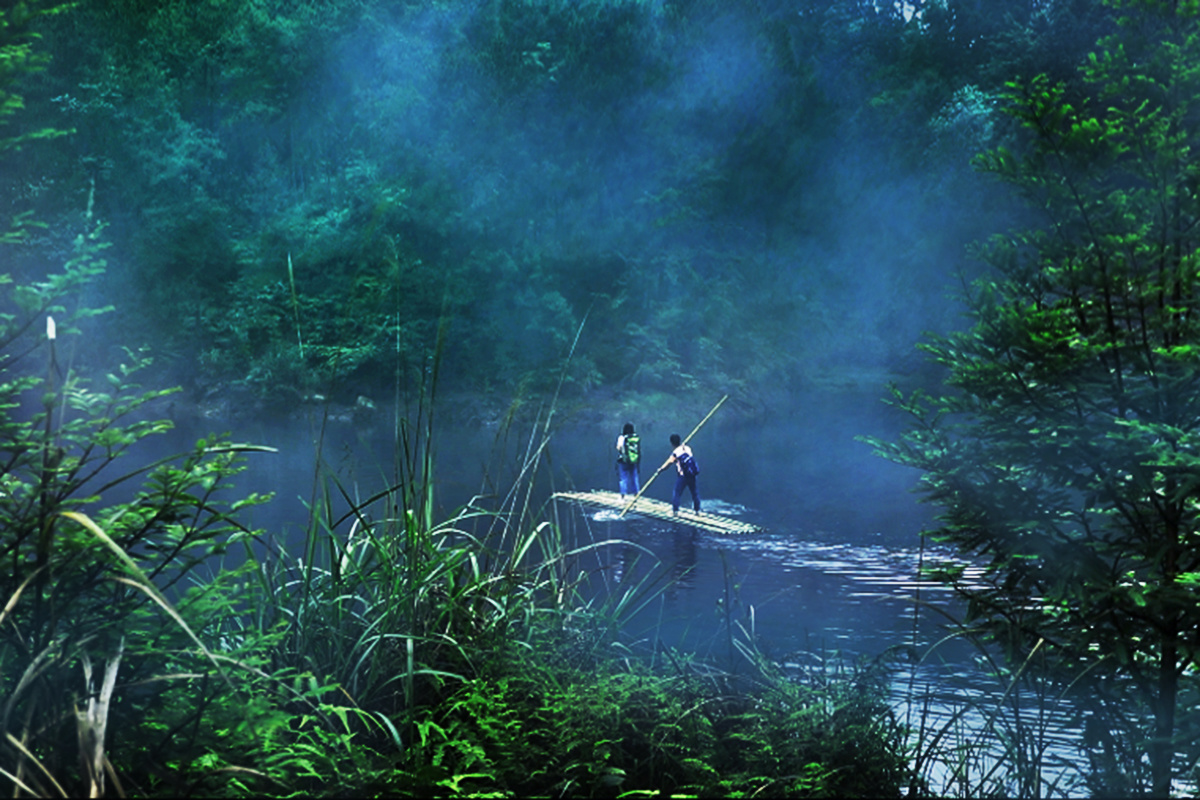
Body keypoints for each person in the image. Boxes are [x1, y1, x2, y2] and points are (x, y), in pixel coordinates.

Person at [663, 433, 700, 515]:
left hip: (683, 476)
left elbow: (669, 462)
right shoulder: (687, 448)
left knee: (677, 493)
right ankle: (697, 510)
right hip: (692, 474)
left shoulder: (675, 452)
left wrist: (661, 469)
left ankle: (675, 511)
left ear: (672, 443)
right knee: (694, 493)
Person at [615, 422, 641, 499]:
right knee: (634, 477)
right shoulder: (635, 437)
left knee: (623, 478)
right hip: (634, 460)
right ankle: (636, 495)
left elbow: (618, 447)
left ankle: (623, 496)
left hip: (624, 460)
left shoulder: (622, 437)